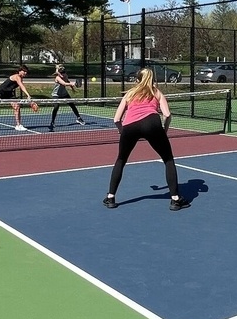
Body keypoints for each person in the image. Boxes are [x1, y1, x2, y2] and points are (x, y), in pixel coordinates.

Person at [103, 68, 190, 211]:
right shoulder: (156, 92)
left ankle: (111, 197)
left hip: (130, 127)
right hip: (152, 124)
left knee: (121, 160)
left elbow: (116, 119)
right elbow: (167, 115)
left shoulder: (130, 94)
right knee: (168, 159)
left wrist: (122, 130)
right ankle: (175, 200)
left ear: (137, 79)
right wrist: (164, 131)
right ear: (152, 79)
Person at [48, 64, 86, 130]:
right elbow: (64, 83)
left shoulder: (65, 75)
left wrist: (73, 88)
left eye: (64, 72)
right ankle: (52, 122)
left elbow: (67, 81)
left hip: (64, 94)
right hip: (56, 95)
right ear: (59, 73)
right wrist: (72, 84)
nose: (63, 74)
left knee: (72, 104)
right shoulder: (57, 78)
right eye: (61, 72)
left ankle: (79, 118)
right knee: (56, 107)